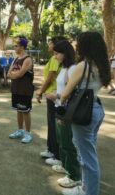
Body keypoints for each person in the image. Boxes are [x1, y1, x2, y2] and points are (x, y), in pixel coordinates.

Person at [60, 32, 111, 195]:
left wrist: (61, 102)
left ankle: (89, 192)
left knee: (87, 157)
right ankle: (84, 187)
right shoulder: (101, 65)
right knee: (87, 152)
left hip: (83, 112)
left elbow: (65, 93)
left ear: (85, 45)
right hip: (96, 108)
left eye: (78, 42)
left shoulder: (83, 65)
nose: (76, 45)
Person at [46, 40, 81, 188]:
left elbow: (71, 91)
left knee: (67, 142)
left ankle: (74, 175)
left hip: (66, 110)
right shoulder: (64, 68)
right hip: (59, 108)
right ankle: (66, 166)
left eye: (57, 53)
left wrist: (56, 95)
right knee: (61, 140)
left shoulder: (73, 68)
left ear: (65, 53)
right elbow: (62, 88)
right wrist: (55, 94)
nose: (55, 56)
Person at [36, 36, 66, 165]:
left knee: (54, 125)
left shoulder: (55, 59)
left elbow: (49, 79)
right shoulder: (54, 58)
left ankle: (56, 153)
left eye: (50, 44)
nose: (48, 46)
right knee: (51, 124)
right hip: (52, 94)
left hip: (54, 95)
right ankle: (51, 149)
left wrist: (40, 92)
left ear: (55, 45)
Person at [7, 38, 34, 143]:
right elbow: (8, 74)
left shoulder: (28, 59)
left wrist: (15, 74)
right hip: (16, 89)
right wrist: (15, 74)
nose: (14, 47)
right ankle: (20, 130)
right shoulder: (15, 59)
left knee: (26, 111)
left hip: (25, 90)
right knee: (18, 110)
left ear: (22, 47)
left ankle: (28, 134)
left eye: (16, 46)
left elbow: (20, 74)